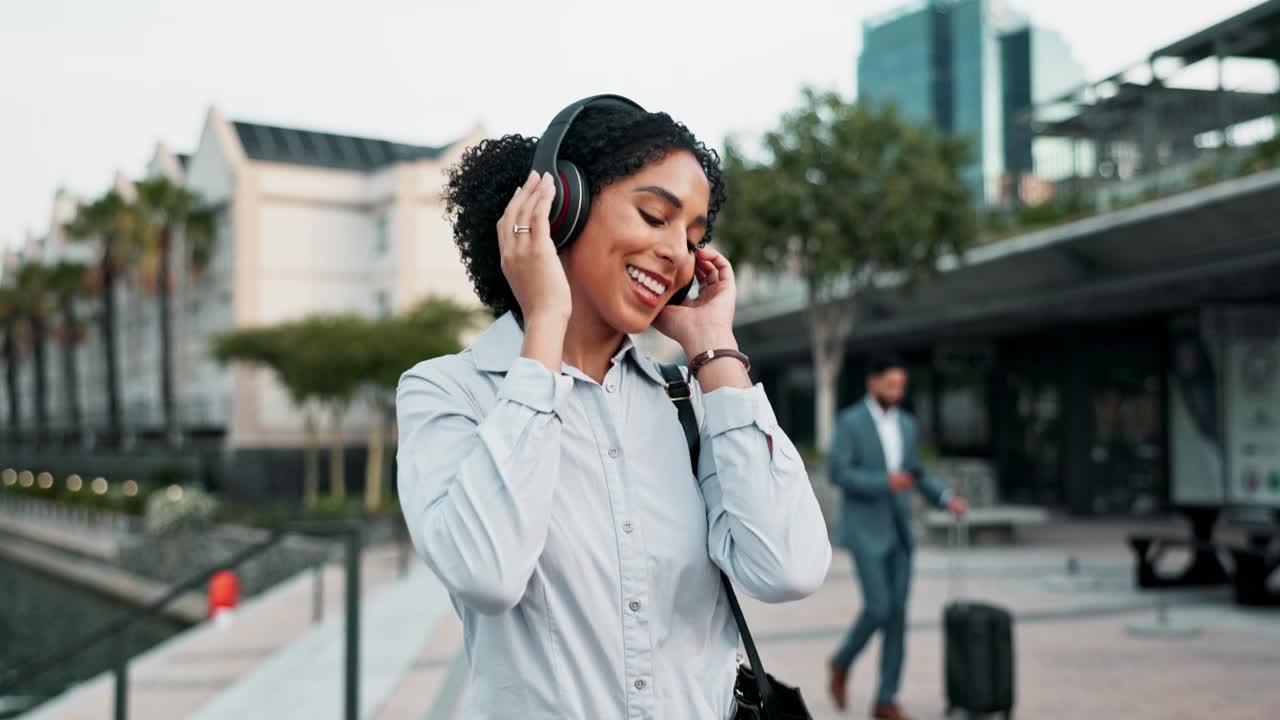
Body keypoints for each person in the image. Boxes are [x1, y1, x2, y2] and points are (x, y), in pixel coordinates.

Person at [396, 97, 831, 720]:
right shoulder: (449, 392)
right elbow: (486, 574)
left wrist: (717, 350)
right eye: (655, 215)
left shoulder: (691, 400)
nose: (678, 253)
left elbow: (788, 569)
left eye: (694, 237)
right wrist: (546, 320)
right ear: (561, 207)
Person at [826, 356, 968, 720]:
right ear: (872, 384)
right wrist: (884, 482)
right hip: (865, 531)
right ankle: (841, 662)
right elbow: (838, 473)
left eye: (901, 386)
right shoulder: (850, 422)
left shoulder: (906, 424)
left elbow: (915, 472)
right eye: (891, 385)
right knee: (878, 608)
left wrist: (945, 498)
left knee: (898, 617)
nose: (897, 392)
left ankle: (886, 699)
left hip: (900, 533)